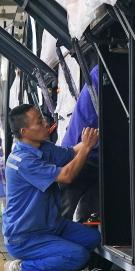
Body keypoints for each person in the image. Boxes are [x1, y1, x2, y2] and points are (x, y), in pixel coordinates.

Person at [2, 104, 109, 271]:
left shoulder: (43, 148)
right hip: (26, 235)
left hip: (51, 225)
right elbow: (66, 176)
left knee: (93, 238)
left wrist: (94, 138)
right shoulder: (23, 160)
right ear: (24, 132)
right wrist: (86, 147)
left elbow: (72, 152)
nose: (46, 124)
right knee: (77, 255)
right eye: (39, 122)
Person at [57, 66, 100, 222]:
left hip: (90, 154)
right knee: (61, 217)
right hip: (81, 157)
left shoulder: (97, 75)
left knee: (87, 214)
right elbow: (66, 176)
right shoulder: (99, 76)